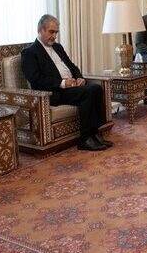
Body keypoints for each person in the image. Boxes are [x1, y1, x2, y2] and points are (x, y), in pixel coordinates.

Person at [21, 14, 111, 151]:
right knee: (89, 91)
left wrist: (80, 77)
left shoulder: (58, 47)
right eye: (51, 32)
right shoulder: (30, 53)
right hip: (54, 92)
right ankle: (85, 139)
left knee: (97, 88)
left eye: (56, 32)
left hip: (70, 87)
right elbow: (36, 79)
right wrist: (63, 83)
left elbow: (72, 66)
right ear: (40, 30)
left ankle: (95, 133)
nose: (54, 36)